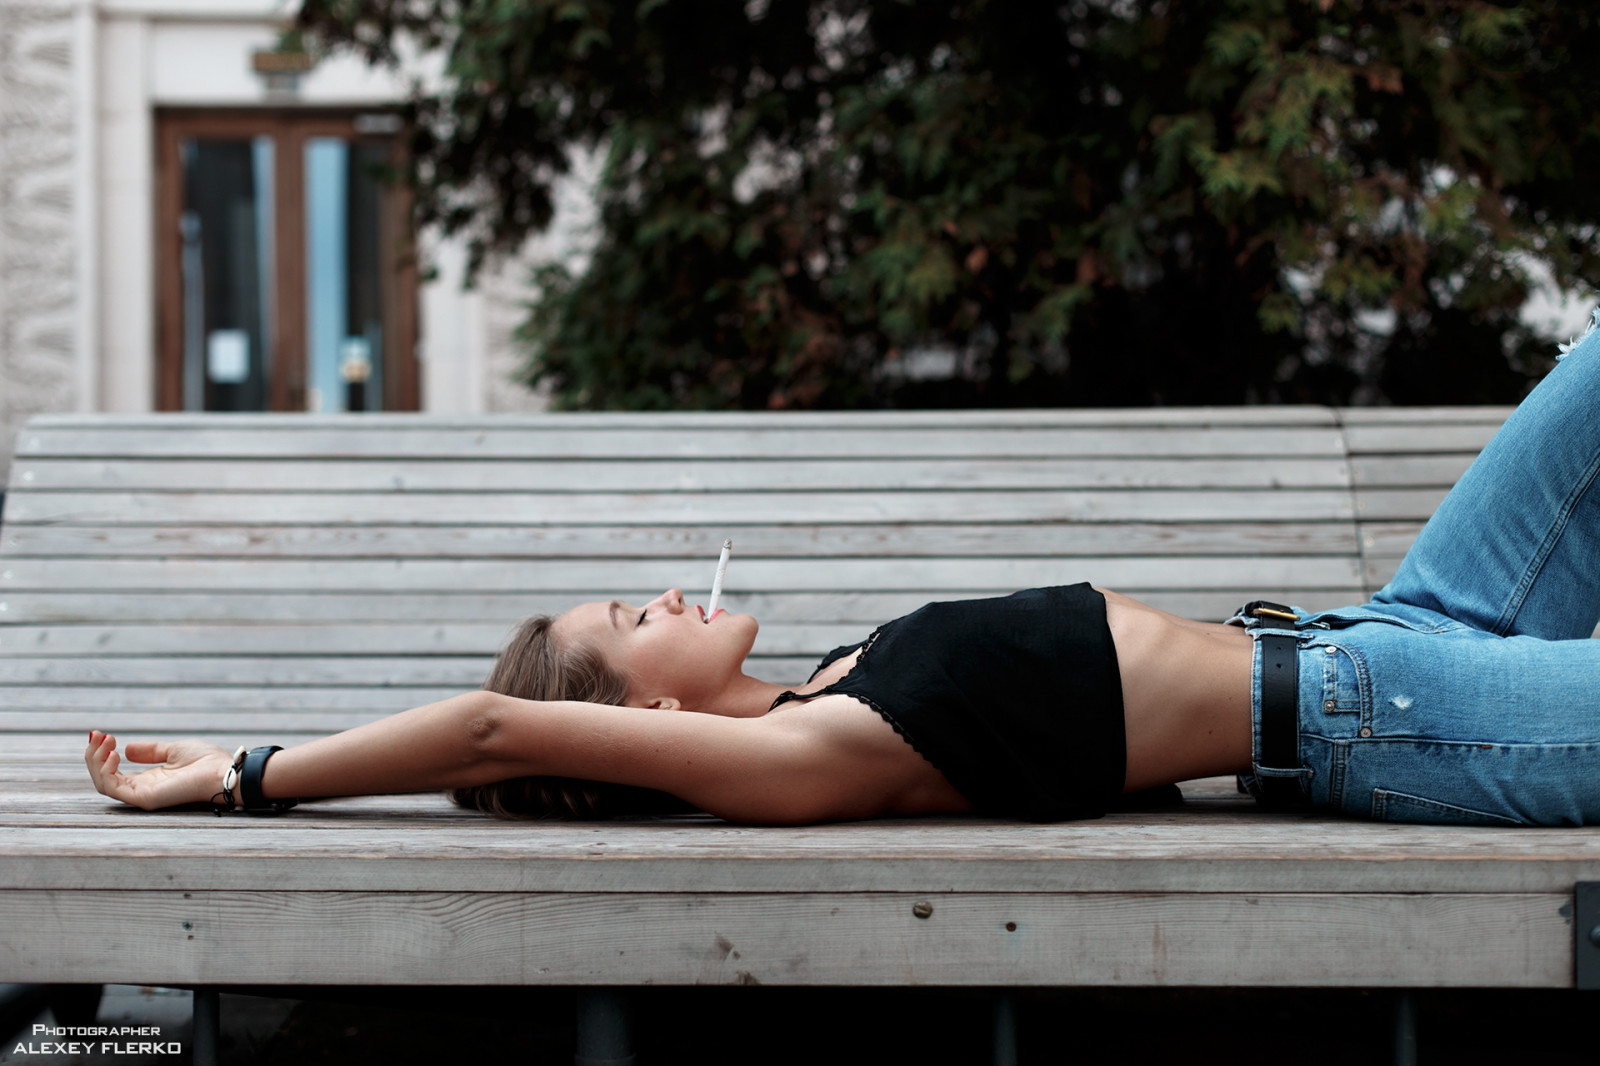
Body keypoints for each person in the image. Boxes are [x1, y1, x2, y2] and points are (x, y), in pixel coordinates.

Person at [86, 313, 1600, 828]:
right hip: (1395, 724)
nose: (663, 595)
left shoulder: (833, 686)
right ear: (641, 717)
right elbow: (485, 732)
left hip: (1387, 633)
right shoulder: (817, 754)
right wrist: (237, 773)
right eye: (631, 619)